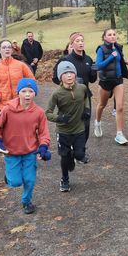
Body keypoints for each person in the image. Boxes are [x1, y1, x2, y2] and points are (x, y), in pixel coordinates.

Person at [0, 78, 51, 214]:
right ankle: (9, 178)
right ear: (18, 93)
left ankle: (26, 202)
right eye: (24, 91)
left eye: (31, 91)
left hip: (30, 152)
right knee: (16, 182)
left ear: (35, 94)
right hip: (11, 152)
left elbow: (43, 133)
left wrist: (43, 147)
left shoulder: (39, 112)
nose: (27, 94)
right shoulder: (7, 110)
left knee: (30, 180)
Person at [46, 61, 90, 193]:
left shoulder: (82, 88)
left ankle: (77, 155)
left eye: (71, 72)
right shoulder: (57, 94)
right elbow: (48, 113)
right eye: (65, 73)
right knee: (65, 158)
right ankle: (64, 179)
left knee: (80, 153)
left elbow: (86, 98)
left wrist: (87, 109)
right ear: (60, 77)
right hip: (63, 131)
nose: (69, 76)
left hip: (79, 129)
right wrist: (59, 118)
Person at [52, 32, 97, 146]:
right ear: (72, 44)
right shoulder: (65, 60)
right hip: (68, 96)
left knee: (85, 123)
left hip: (85, 96)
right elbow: (55, 78)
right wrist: (69, 83)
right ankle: (69, 147)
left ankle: (81, 149)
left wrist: (93, 71)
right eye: (77, 41)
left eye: (82, 40)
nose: (81, 43)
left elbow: (92, 80)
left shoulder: (88, 59)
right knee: (70, 122)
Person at [94, 28, 128, 145]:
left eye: (114, 34)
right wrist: (111, 57)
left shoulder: (118, 47)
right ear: (104, 37)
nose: (113, 36)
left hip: (118, 80)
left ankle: (119, 134)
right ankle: (97, 123)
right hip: (105, 81)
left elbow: (118, 60)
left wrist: (124, 62)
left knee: (119, 107)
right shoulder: (101, 49)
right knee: (102, 105)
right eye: (109, 35)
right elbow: (98, 66)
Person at [0, 39, 35, 113]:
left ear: (12, 50)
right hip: (3, 106)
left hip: (21, 104)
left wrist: (27, 94)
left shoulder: (21, 65)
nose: (7, 49)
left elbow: (31, 80)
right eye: (4, 47)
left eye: (9, 47)